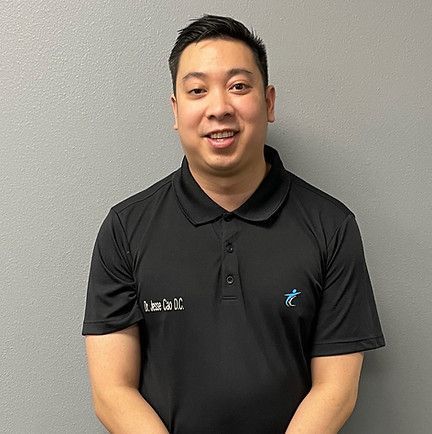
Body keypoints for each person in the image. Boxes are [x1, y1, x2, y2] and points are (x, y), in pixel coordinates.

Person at [82, 14, 385, 434]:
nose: (219, 107)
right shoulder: (125, 229)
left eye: (239, 86)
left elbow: (336, 389)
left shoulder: (331, 226)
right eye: (197, 90)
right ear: (176, 109)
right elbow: (112, 391)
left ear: (269, 102)